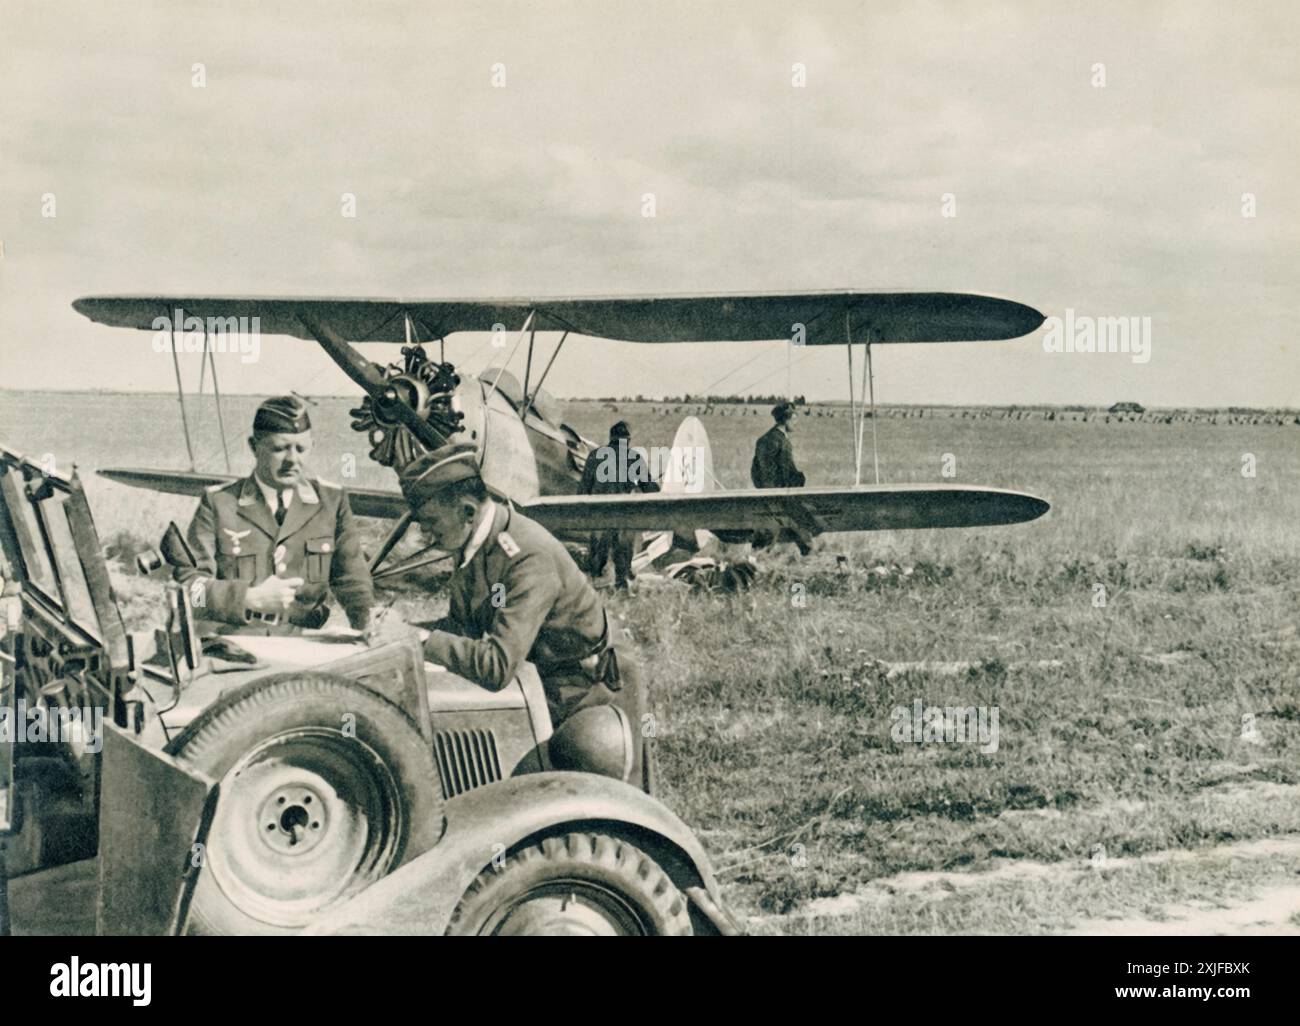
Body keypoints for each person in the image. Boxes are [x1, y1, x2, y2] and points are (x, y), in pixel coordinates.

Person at [399, 442, 655, 790]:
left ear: (468, 511)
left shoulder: (527, 557)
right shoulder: (476, 542)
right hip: (544, 682)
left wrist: (420, 639)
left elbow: (496, 665)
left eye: (431, 523)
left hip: (591, 690)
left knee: (609, 802)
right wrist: (406, 633)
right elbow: (463, 629)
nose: (426, 535)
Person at [173, 396, 374, 632]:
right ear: (253, 446)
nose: (292, 460)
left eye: (301, 449)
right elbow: (189, 586)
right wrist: (247, 598)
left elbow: (352, 580)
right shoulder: (219, 503)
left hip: (305, 644)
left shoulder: (331, 501)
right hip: (233, 646)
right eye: (279, 449)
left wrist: (368, 623)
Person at [579, 420, 658, 589]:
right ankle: (622, 583)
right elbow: (650, 489)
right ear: (628, 440)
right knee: (623, 556)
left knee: (597, 560)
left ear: (610, 437)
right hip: (622, 512)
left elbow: (583, 490)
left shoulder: (594, 456)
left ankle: (596, 584)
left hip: (599, 512)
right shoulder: (633, 457)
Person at [750, 401, 813, 555]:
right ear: (787, 419)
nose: (796, 423)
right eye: (795, 419)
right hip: (780, 493)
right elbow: (786, 470)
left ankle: (758, 557)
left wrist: (762, 489)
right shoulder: (782, 442)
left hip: (765, 492)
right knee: (800, 525)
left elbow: (755, 469)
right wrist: (797, 480)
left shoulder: (764, 439)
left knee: (769, 530)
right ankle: (806, 554)